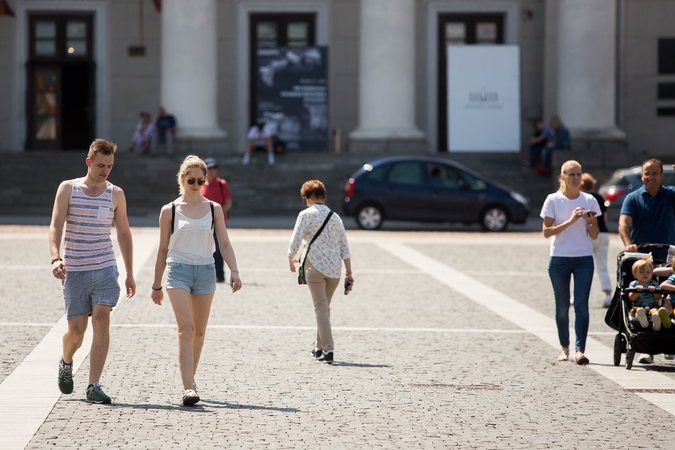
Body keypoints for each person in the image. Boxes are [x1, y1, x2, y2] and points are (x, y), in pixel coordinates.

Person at [150, 155, 242, 406]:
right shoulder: (169, 210)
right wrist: (156, 284)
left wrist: (234, 270)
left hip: (205, 271)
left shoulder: (214, 208)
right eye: (191, 180)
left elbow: (223, 242)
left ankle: (191, 378)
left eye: (200, 181)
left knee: (199, 332)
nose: (196, 184)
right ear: (181, 178)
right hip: (178, 270)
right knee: (186, 328)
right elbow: (161, 250)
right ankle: (188, 387)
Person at [49, 138, 136, 404]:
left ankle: (93, 385)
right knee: (76, 331)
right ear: (89, 162)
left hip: (104, 268)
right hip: (75, 269)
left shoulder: (116, 194)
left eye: (109, 166)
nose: (105, 170)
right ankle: (66, 362)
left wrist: (130, 272)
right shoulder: (68, 189)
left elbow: (123, 232)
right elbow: (55, 226)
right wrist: (56, 258)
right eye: (100, 165)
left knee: (102, 320)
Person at [541, 160, 600, 365]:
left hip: (584, 258)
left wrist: (591, 222)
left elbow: (594, 235)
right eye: (571, 174)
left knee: (582, 305)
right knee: (562, 306)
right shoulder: (553, 200)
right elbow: (547, 232)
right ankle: (564, 347)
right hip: (559, 258)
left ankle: (579, 350)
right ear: (562, 177)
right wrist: (570, 222)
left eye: (579, 174)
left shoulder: (590, 200)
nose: (576, 178)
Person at [288, 180, 353, 364]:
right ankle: (318, 347)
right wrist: (349, 272)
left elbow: (295, 242)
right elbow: (344, 247)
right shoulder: (335, 217)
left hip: (314, 267)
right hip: (334, 271)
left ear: (306, 199)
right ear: (324, 198)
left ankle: (329, 349)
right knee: (324, 308)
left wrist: (291, 258)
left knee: (321, 308)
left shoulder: (305, 215)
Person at [619, 158, 675, 363]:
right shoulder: (633, 198)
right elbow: (624, 224)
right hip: (644, 258)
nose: (650, 177)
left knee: (668, 301)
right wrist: (628, 243)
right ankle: (648, 350)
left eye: (654, 173)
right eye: (646, 173)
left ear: (662, 175)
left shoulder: (670, 194)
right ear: (641, 176)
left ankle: (670, 344)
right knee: (648, 299)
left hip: (670, 257)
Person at [580, 173, 613, 307]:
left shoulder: (582, 198)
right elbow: (604, 218)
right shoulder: (599, 197)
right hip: (604, 233)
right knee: (602, 266)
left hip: (589, 234)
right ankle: (608, 295)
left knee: (581, 265)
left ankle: (578, 294)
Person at [200, 157, 232, 283]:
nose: (212, 170)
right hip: (204, 222)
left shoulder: (221, 184)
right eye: (209, 168)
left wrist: (217, 214)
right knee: (205, 249)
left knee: (219, 249)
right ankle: (208, 273)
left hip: (219, 222)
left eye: (214, 168)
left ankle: (220, 274)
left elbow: (228, 203)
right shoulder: (200, 184)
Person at [628, 257, 668, 331]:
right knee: (638, 311)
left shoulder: (654, 284)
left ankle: (656, 322)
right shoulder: (633, 284)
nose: (645, 274)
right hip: (638, 306)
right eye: (641, 272)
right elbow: (631, 298)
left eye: (648, 272)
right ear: (635, 274)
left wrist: (654, 291)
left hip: (652, 305)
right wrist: (635, 291)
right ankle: (643, 321)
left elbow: (658, 297)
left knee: (655, 312)